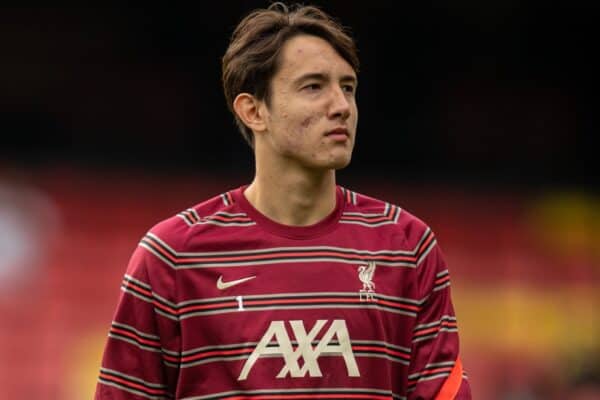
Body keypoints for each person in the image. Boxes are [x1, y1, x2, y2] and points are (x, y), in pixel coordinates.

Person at [94, 2, 471, 399]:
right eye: (313, 86)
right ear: (254, 110)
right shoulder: (171, 257)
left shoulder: (407, 247)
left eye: (348, 88)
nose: (341, 106)